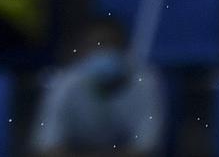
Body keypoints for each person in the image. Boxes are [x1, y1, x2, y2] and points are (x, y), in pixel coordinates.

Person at [32, 16, 166, 157]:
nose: (103, 52)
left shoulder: (146, 83)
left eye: (109, 44)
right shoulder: (63, 84)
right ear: (81, 51)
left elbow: (147, 148)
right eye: (95, 45)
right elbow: (46, 146)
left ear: (125, 48)